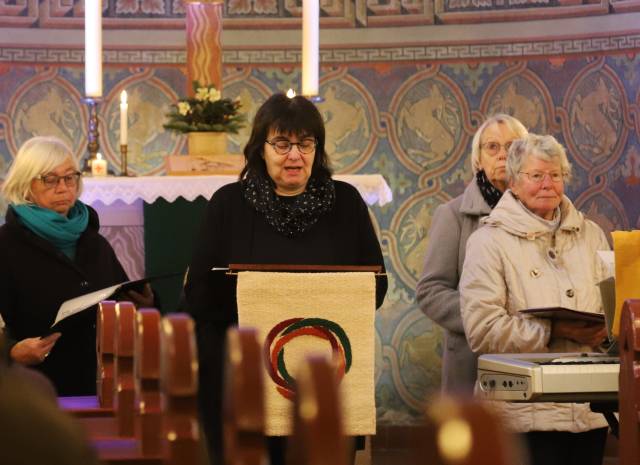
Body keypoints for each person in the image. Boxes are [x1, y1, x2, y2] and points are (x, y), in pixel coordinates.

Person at [184, 93, 388, 465]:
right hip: (244, 373)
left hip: (325, 368)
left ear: (317, 150)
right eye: (281, 143)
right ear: (260, 149)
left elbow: (375, 286)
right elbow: (199, 292)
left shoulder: (346, 203)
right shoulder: (229, 204)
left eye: (305, 144)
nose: (294, 155)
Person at [460, 133, 610, 465]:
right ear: (514, 183)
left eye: (555, 174)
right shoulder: (488, 242)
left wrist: (606, 332)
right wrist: (553, 330)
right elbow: (482, 330)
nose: (547, 184)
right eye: (536, 175)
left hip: (590, 411)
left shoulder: (592, 236)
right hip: (522, 416)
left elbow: (611, 309)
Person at [0, 136, 153, 396]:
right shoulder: (6, 244)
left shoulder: (94, 241)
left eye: (70, 177)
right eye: (50, 179)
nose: (63, 188)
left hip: (99, 381)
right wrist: (11, 351)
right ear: (25, 185)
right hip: (35, 387)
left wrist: (143, 302)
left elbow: (120, 298)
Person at [416, 114, 528, 394]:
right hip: (473, 362)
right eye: (492, 147)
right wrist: (488, 319)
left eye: (512, 146)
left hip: (532, 356)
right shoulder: (453, 215)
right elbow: (430, 291)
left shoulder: (542, 213)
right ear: (478, 159)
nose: (503, 154)